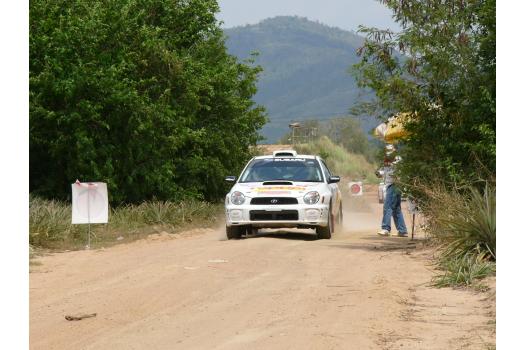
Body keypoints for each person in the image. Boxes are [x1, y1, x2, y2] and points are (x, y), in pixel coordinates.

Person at [376, 145, 408, 237]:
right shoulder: (387, 159)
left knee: (388, 206)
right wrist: (379, 173)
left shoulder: (397, 159)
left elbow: (396, 171)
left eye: (390, 150)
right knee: (396, 209)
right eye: (387, 150)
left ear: (394, 150)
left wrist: (390, 162)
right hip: (390, 184)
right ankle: (402, 230)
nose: (388, 151)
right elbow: (386, 172)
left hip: (395, 184)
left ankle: (386, 228)